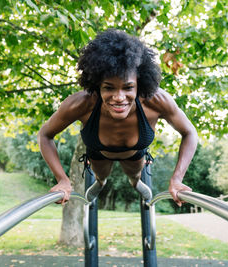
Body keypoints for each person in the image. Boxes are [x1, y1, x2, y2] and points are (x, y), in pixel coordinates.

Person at [38, 29, 198, 207]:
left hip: (135, 153)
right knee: (101, 176)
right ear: (97, 85)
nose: (119, 97)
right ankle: (100, 184)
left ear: (139, 84)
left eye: (128, 88)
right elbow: (45, 134)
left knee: (134, 176)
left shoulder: (156, 101)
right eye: (109, 88)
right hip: (98, 151)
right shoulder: (82, 103)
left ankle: (136, 184)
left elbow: (189, 132)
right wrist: (62, 179)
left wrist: (177, 179)